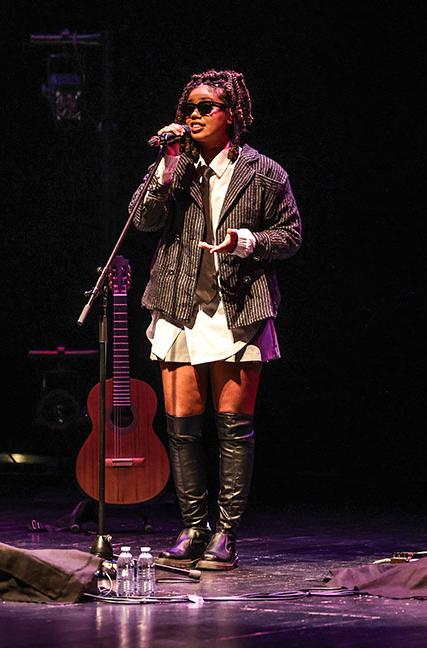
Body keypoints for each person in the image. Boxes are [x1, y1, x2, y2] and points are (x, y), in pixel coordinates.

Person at [129, 70, 301, 570]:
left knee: (232, 427)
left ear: (234, 115)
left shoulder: (264, 172)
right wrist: (166, 165)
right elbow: (143, 221)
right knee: (182, 426)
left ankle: (226, 534)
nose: (195, 115)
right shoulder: (173, 165)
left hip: (238, 307)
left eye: (207, 107)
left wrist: (246, 241)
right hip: (179, 304)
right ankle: (192, 527)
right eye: (189, 108)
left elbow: (290, 236)